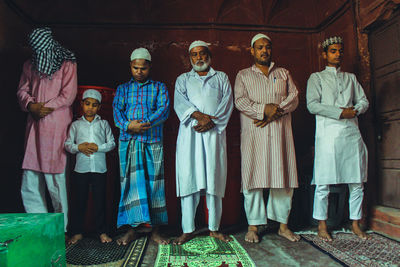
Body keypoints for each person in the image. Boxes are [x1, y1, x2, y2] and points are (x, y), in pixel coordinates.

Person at [234, 33, 300, 243]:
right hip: (255, 134)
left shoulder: (283, 73)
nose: (264, 51)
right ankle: (253, 226)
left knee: (283, 178)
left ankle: (282, 225)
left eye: (267, 47)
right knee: (253, 178)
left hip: (280, 133)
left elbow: (295, 96)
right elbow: (240, 101)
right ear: (252, 51)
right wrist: (264, 110)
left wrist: (276, 111)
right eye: (260, 47)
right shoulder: (243, 75)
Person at [306, 36, 370, 241]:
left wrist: (356, 111)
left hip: (351, 133)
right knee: (324, 182)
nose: (338, 54)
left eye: (340, 51)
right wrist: (340, 112)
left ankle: (355, 223)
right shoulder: (316, 78)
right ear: (325, 54)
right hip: (327, 135)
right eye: (333, 51)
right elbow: (312, 105)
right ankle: (322, 225)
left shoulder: (350, 78)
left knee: (357, 180)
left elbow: (363, 101)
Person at [17, 27, 77, 232]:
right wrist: (30, 105)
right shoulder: (29, 65)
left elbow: (68, 95)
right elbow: (22, 90)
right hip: (34, 126)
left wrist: (46, 107)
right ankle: (38, 227)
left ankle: (62, 229)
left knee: (55, 180)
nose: (40, 57)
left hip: (56, 125)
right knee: (31, 179)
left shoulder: (67, 64)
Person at [173, 40, 234, 245]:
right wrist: (199, 117)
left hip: (214, 135)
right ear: (190, 58)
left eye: (202, 53)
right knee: (189, 180)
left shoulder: (222, 78)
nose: (199, 58)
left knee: (214, 181)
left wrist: (211, 122)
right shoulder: (183, 79)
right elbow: (180, 103)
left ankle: (214, 228)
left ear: (209, 56)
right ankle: (188, 229)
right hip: (190, 135)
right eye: (194, 55)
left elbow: (227, 104)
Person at [112, 48, 170, 245]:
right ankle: (132, 229)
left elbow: (163, 111)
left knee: (154, 184)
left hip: (152, 141)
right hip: (128, 142)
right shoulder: (122, 89)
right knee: (130, 185)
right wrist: (128, 125)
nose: (139, 71)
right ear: (130, 66)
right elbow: (117, 112)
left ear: (149, 67)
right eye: (135, 68)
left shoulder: (159, 87)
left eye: (143, 68)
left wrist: (142, 123)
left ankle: (155, 231)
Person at [65, 89, 115, 244]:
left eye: (94, 105)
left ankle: (102, 232)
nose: (90, 108)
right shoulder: (75, 125)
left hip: (99, 168)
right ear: (82, 104)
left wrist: (98, 148)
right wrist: (79, 148)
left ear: (99, 107)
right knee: (80, 200)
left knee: (100, 200)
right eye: (87, 104)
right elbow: (68, 144)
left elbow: (112, 143)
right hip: (81, 169)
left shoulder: (103, 124)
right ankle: (78, 232)